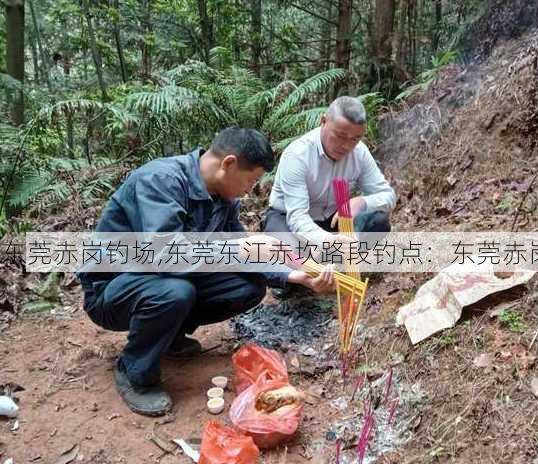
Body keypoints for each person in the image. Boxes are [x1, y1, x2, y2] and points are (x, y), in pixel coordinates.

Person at [78, 128, 333, 416]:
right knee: (174, 292)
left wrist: (291, 275)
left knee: (248, 285)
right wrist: (239, 248)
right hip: (113, 288)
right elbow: (164, 255)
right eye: (250, 180)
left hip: (159, 278)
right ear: (228, 164)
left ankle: (168, 335)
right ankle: (134, 370)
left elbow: (239, 248)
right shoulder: (161, 180)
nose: (251, 188)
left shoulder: (222, 197)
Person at [263, 96, 396, 293]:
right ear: (323, 121)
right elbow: (297, 218)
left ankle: (331, 266)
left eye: (355, 139)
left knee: (378, 221)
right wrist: (330, 242)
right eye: (340, 136)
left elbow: (388, 196)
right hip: (288, 221)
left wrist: (360, 202)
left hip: (332, 220)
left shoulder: (359, 153)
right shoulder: (298, 154)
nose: (347, 146)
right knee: (285, 248)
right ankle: (295, 281)